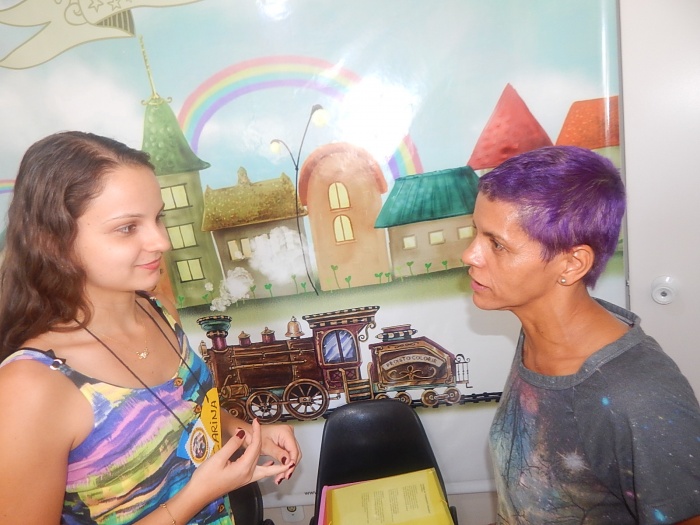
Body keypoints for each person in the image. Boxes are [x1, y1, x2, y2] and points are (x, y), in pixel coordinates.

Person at [0, 131, 301, 524]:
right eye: (127, 227)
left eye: (158, 217)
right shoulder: (31, 387)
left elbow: (184, 410)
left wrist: (245, 432)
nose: (161, 241)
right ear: (54, 241)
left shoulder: (159, 310)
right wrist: (196, 495)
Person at [461, 146, 700, 524]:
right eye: (476, 232)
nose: (469, 255)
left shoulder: (639, 397)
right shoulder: (540, 336)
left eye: (497, 244)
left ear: (572, 264)